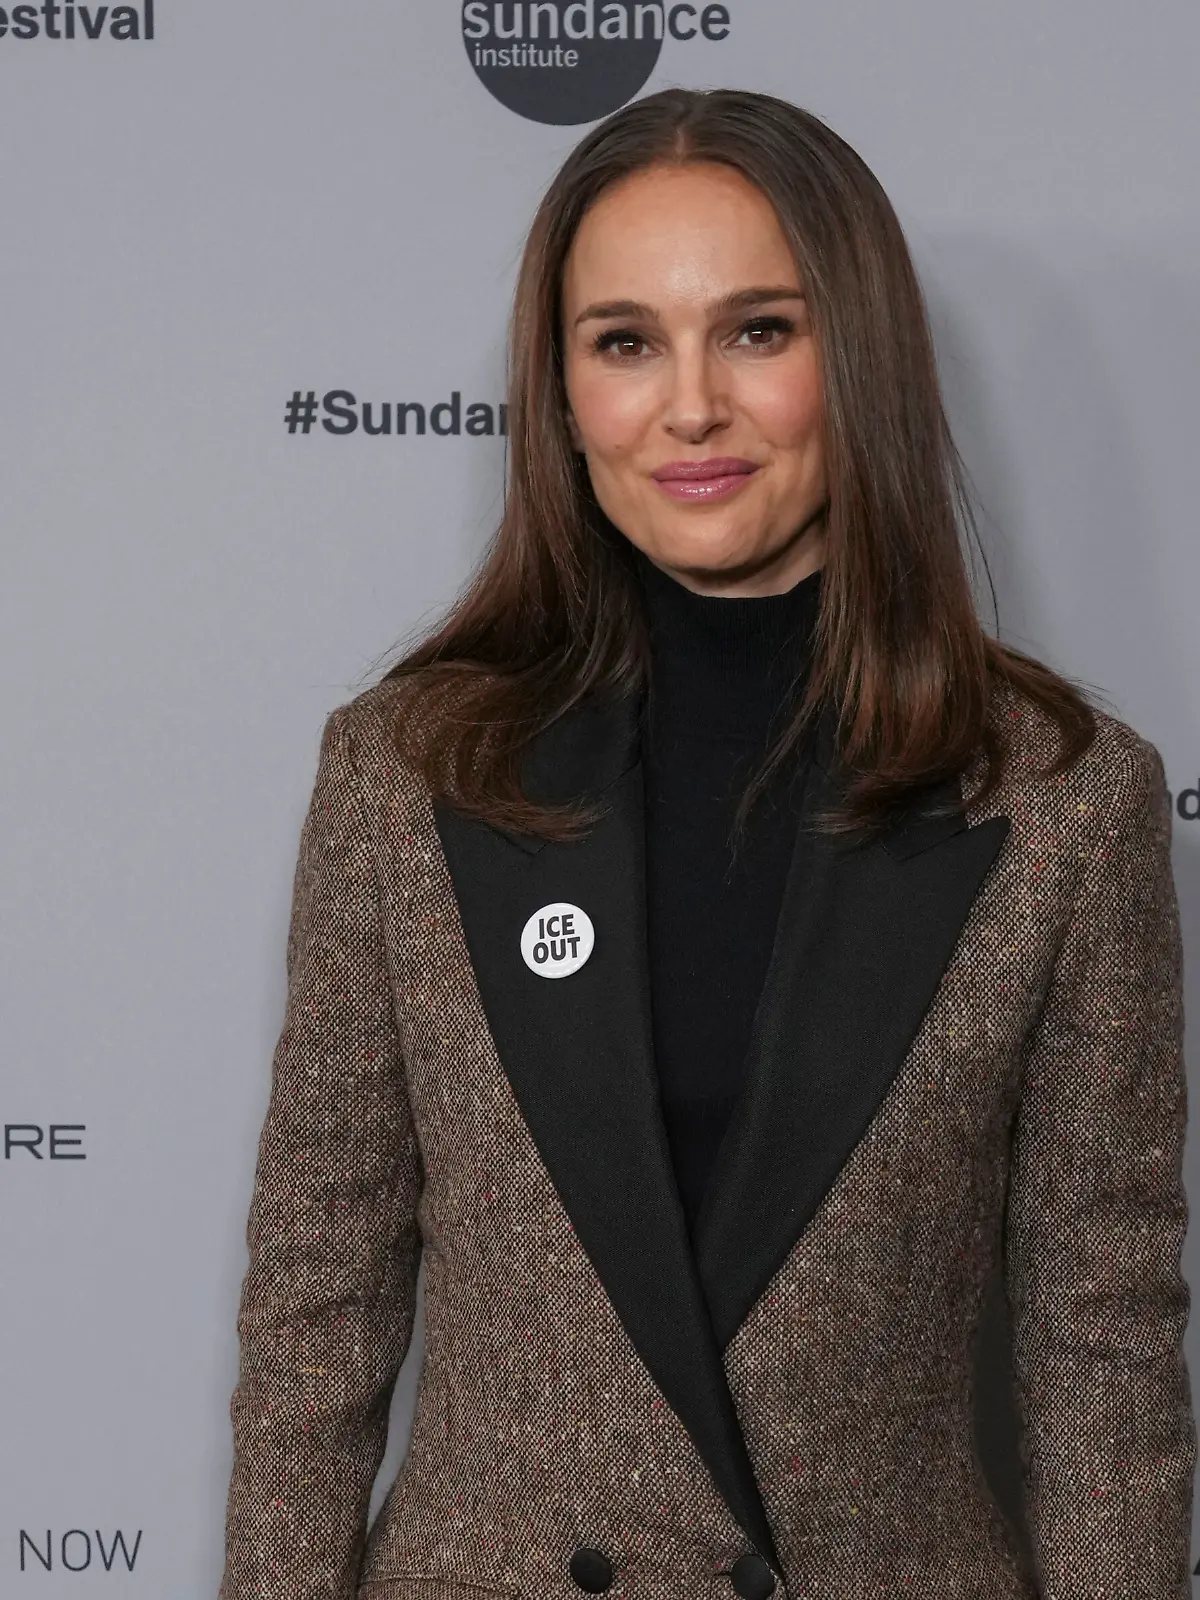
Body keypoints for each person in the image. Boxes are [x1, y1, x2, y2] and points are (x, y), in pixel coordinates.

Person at [218, 87, 1195, 1600]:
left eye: (757, 331)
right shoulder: (405, 774)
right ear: (561, 393)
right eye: (624, 342)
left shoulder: (1064, 801)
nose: (689, 407)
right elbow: (316, 1311)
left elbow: (1104, 1347)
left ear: (855, 359)